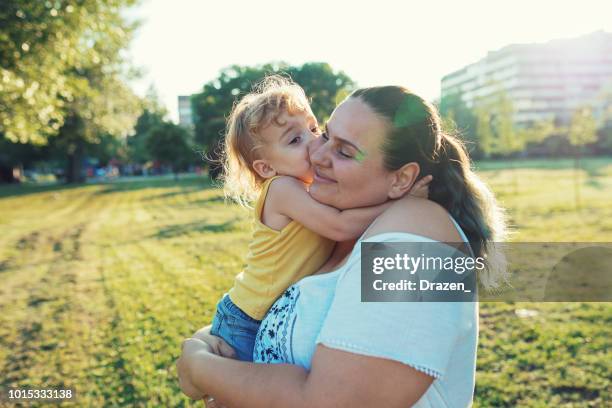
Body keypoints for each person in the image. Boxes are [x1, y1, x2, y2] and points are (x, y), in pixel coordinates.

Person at [177, 85, 506, 407]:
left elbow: (331, 401)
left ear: (401, 180)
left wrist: (201, 368)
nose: (316, 154)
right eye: (325, 136)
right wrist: (204, 342)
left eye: (345, 151)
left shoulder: (417, 235)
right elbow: (284, 318)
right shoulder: (333, 235)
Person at [209, 77, 428, 362]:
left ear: (402, 178)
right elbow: (339, 225)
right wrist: (400, 201)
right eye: (295, 139)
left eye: (315, 129)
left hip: (259, 315)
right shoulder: (282, 189)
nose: (314, 144)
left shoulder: (424, 237)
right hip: (246, 319)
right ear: (266, 167)